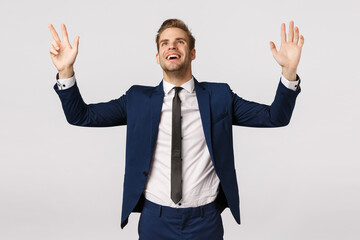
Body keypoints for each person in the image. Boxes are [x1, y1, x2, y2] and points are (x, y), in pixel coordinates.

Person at [49, 19, 304, 240]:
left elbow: (275, 117)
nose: (172, 46)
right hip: (155, 220)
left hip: (205, 220)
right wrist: (65, 71)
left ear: (192, 53)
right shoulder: (137, 99)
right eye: (165, 43)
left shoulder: (220, 97)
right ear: (158, 56)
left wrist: (289, 71)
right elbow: (81, 116)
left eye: (180, 42)